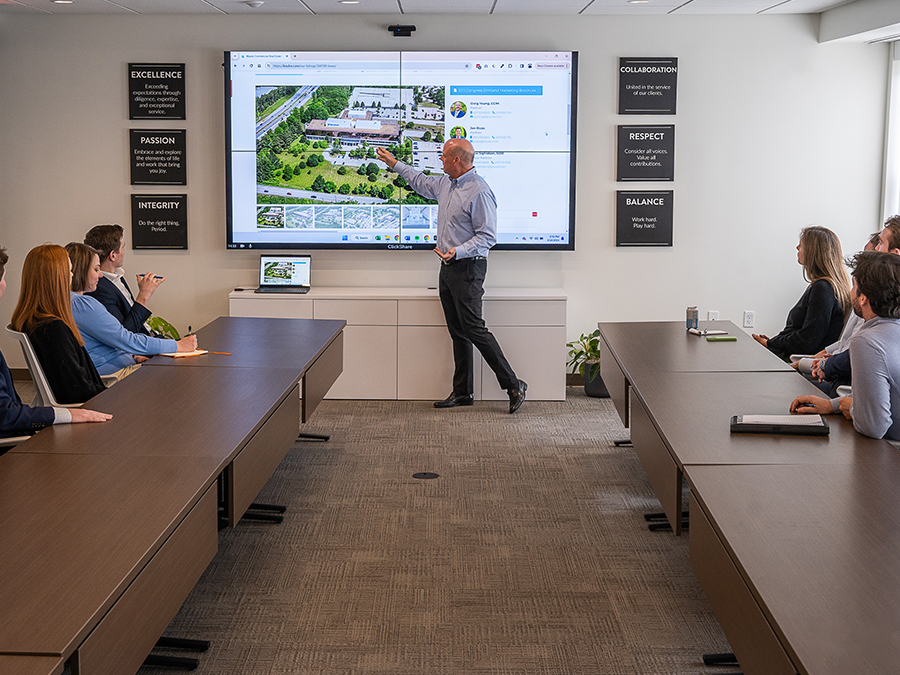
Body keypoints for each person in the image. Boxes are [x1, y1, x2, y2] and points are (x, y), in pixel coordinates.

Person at [375, 139, 527, 413]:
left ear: (457, 160)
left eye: (443, 156)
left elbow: (487, 236)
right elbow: (420, 181)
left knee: (474, 329)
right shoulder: (447, 183)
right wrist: (395, 164)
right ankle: (463, 392)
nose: (440, 160)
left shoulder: (479, 190)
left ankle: (514, 385)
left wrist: (458, 250)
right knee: (458, 332)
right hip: (447, 267)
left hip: (468, 267)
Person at [0, 246, 111, 439]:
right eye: (68, 271)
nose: (71, 275)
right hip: (83, 411)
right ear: (56, 279)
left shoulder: (33, 319)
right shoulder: (51, 328)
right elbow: (76, 391)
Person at [791, 251, 900, 441]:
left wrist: (850, 407)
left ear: (863, 297)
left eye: (854, 286)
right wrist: (834, 405)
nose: (850, 293)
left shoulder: (867, 341)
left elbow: (874, 427)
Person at [66, 243, 197, 378]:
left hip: (123, 365)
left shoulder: (71, 302)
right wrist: (177, 345)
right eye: (96, 269)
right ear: (81, 271)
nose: (100, 275)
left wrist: (131, 356)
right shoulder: (81, 304)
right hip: (113, 376)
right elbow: (126, 338)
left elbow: (109, 340)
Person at [791, 230, 881, 395]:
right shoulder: (862, 306)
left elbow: (810, 340)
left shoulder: (823, 288)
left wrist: (772, 346)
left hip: (837, 382)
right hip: (831, 374)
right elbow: (842, 345)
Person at [752, 226, 850, 361]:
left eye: (801, 245)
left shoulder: (823, 288)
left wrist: (770, 344)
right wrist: (774, 342)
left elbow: (807, 340)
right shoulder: (826, 286)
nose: (797, 248)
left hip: (803, 365)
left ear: (813, 251)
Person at [83, 223, 164, 335]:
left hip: (151, 338)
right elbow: (125, 335)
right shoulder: (99, 288)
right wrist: (144, 296)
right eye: (123, 247)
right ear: (112, 255)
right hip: (141, 347)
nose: (124, 251)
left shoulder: (117, 276)